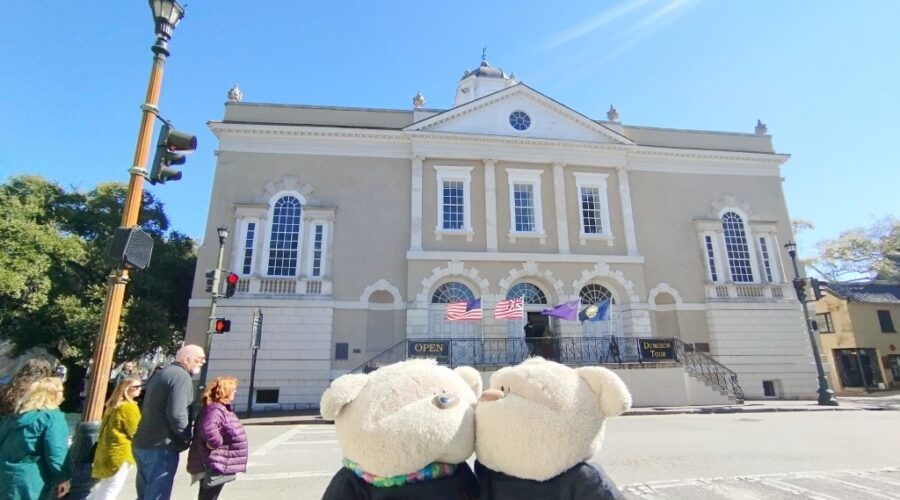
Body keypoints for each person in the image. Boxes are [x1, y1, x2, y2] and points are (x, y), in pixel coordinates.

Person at [132, 344, 206, 500]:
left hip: (144, 443)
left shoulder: (162, 374)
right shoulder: (181, 377)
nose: (203, 362)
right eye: (199, 359)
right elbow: (178, 414)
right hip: (162, 446)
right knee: (157, 495)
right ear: (187, 358)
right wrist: (187, 436)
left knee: (145, 493)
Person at [0, 376, 71, 499]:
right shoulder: (53, 418)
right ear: (55, 395)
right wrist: (63, 478)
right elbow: (56, 453)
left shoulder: (17, 415)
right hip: (32, 478)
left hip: (5, 473)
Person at [186, 377, 248, 500]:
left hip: (217, 461)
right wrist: (215, 443)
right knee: (208, 496)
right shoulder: (216, 409)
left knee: (208, 495)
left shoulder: (217, 408)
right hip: (214, 462)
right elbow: (209, 428)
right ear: (225, 391)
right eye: (233, 390)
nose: (235, 392)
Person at [87, 376, 143, 500]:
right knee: (112, 488)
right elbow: (135, 431)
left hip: (105, 451)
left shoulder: (112, 405)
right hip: (120, 452)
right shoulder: (129, 407)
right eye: (137, 387)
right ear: (128, 389)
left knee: (104, 486)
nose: (140, 389)